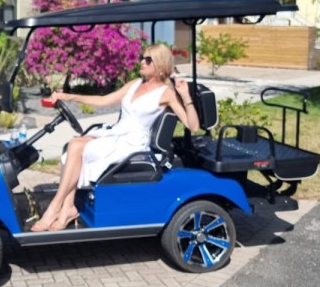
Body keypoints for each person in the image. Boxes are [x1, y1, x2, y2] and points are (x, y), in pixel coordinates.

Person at [31, 44, 200, 232]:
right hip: (116, 133)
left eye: (148, 60)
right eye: (142, 58)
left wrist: (185, 96)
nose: (142, 62)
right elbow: (104, 100)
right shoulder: (135, 84)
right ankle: (67, 208)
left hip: (132, 142)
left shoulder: (166, 93)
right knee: (74, 145)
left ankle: (57, 206)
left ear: (160, 65)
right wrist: (68, 96)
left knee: (77, 147)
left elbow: (193, 126)